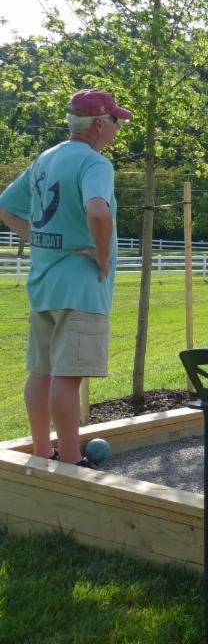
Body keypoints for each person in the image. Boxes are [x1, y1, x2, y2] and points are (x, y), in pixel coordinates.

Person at [0, 89, 130, 468]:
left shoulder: (47, 158)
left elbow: (6, 206)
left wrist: (37, 239)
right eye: (116, 121)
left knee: (40, 372)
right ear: (100, 124)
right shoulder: (95, 164)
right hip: (81, 287)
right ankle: (71, 461)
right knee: (67, 377)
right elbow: (98, 211)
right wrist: (102, 256)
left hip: (43, 283)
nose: (118, 128)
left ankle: (43, 452)